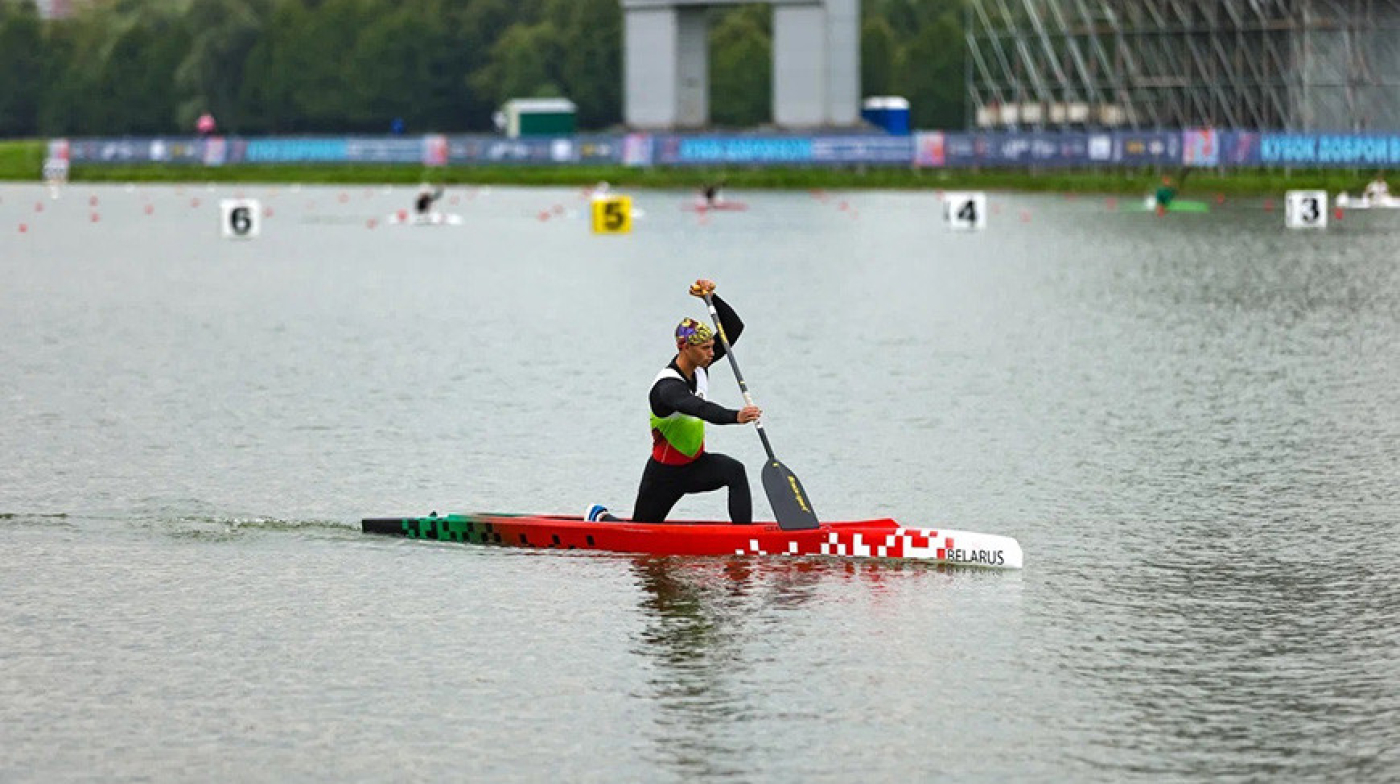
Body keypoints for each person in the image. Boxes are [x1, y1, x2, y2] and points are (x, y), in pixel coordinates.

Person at [586, 279, 762, 525]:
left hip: (697, 466)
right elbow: (698, 408)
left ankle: (744, 540)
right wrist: (736, 416)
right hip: (664, 476)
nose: (712, 353)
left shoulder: (701, 365)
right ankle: (601, 517)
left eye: (712, 347)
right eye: (705, 348)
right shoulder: (666, 387)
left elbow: (733, 328)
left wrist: (712, 298)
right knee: (640, 535)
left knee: (735, 471)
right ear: (685, 347)